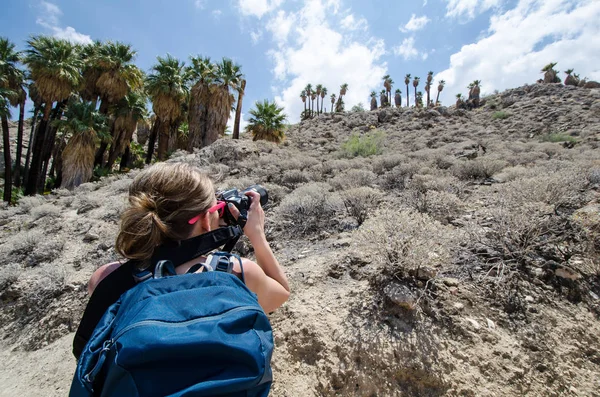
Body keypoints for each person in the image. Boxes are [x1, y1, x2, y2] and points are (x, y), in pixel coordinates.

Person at [88, 162, 289, 315]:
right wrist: (257, 235)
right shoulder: (236, 274)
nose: (221, 211)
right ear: (205, 221)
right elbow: (280, 293)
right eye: (217, 208)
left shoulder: (105, 278)